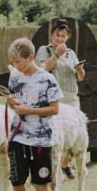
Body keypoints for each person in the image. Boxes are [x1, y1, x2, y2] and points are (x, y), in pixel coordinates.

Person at [7, 37, 62, 191]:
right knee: (16, 178)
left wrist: (27, 110)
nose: (15, 66)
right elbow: (14, 103)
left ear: (30, 57)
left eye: (18, 62)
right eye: (13, 62)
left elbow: (55, 109)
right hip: (17, 136)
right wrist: (12, 103)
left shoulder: (47, 79)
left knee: (40, 180)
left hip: (41, 139)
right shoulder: (14, 77)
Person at [35, 18, 85, 180]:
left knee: (73, 134)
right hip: (54, 99)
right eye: (58, 36)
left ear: (67, 37)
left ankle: (65, 163)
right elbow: (41, 70)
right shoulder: (45, 50)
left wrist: (80, 70)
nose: (60, 39)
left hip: (71, 99)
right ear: (52, 37)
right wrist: (56, 55)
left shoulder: (72, 54)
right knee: (52, 135)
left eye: (63, 36)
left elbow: (81, 77)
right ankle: (46, 167)